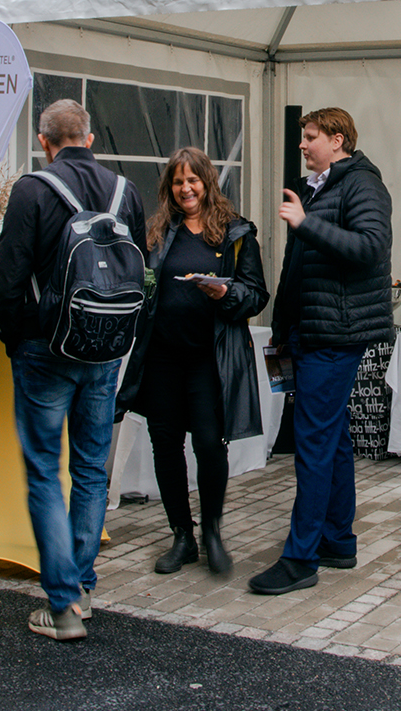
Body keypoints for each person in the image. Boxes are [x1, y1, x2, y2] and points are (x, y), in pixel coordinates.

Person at [0, 98, 146, 641]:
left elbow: (8, 276)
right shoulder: (125, 191)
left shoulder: (32, 190)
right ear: (89, 138)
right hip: (105, 350)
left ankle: (59, 605)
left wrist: (16, 339)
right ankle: (81, 589)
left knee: (43, 470)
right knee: (89, 470)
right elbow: (138, 274)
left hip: (45, 350)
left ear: (45, 142)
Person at [250, 108, 393, 596]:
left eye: (310, 137)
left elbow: (370, 247)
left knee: (312, 444)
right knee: (332, 441)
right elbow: (298, 268)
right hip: (311, 332)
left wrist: (307, 224)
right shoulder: (314, 187)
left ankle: (300, 558)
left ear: (338, 140)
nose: (302, 145)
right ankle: (337, 541)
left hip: (338, 334)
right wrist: (283, 326)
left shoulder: (362, 185)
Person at [117, 147, 269, 577]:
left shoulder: (236, 235)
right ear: (170, 188)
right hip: (163, 357)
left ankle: (213, 532)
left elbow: (257, 295)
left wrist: (226, 293)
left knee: (207, 443)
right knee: (165, 444)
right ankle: (181, 534)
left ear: (207, 183)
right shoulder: (159, 234)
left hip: (209, 359)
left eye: (193, 181)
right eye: (178, 182)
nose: (186, 189)